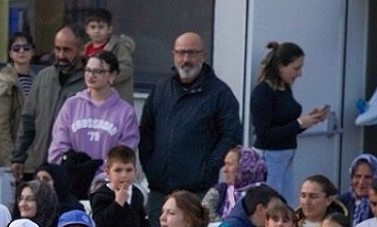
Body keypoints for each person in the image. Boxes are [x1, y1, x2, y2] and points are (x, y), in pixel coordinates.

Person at [138, 32, 243, 211]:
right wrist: (151, 167)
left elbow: (231, 136)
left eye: (192, 53)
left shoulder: (219, 94)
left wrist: (206, 169)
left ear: (203, 56)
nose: (186, 59)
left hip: (197, 194)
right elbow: (145, 131)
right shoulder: (161, 89)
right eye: (181, 53)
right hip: (159, 192)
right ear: (173, 55)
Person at [250, 42, 330, 202]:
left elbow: (288, 126)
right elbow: (264, 135)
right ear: (281, 67)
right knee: (270, 205)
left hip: (286, 156)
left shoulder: (285, 88)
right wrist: (299, 123)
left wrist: (309, 121)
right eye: (296, 68)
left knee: (285, 203)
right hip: (270, 158)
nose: (300, 73)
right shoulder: (263, 93)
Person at [48, 51, 138, 192]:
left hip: (107, 188)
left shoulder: (125, 112)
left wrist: (100, 179)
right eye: (88, 70)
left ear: (113, 75)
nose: (91, 75)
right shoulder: (71, 105)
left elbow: (124, 156)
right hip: (71, 184)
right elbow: (58, 148)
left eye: (98, 71)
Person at [11, 25, 85, 180]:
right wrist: (18, 157)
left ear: (81, 50)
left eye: (67, 50)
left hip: (72, 170)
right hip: (40, 166)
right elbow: (28, 120)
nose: (61, 55)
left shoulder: (89, 83)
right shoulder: (44, 78)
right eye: (57, 49)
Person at [0, 32, 36, 169]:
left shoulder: (37, 81)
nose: (21, 51)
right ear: (10, 53)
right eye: (16, 48)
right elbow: (1, 127)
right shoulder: (2, 82)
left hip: (30, 157)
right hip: (7, 161)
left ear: (32, 52)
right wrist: (11, 161)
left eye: (26, 48)